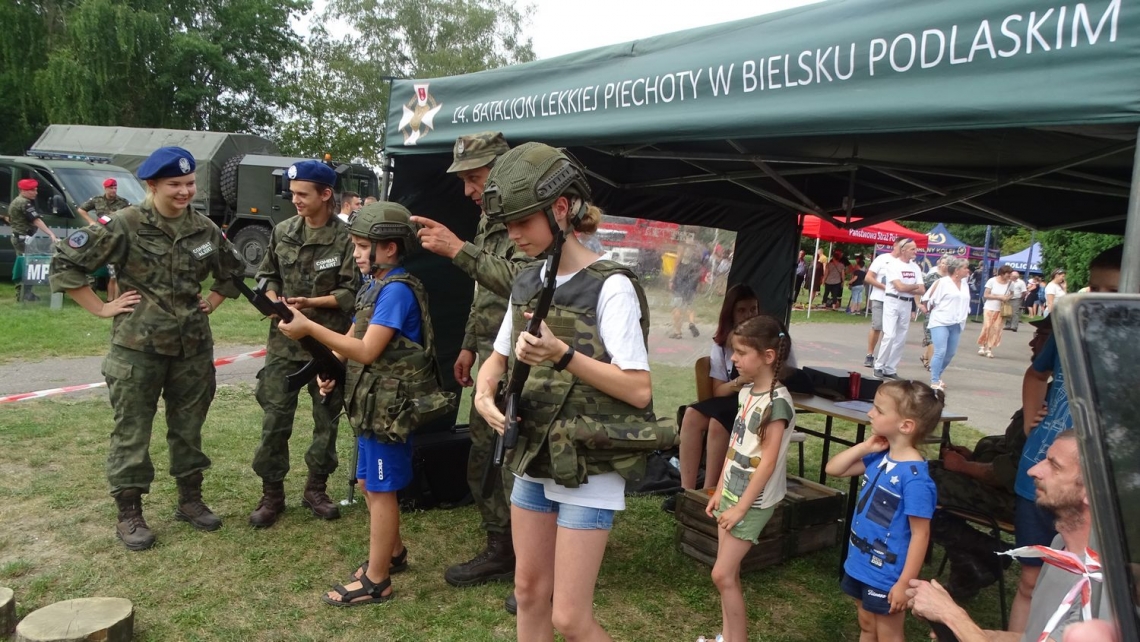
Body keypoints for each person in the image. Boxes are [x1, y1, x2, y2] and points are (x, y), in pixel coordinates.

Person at [473, 143, 675, 641]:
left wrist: (563, 355)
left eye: (522, 221)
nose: (513, 234)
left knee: (569, 617)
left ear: (561, 209)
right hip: (534, 458)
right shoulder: (527, 281)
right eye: (507, 224)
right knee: (526, 592)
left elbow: (639, 390)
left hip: (589, 465)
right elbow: (498, 358)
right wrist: (484, 392)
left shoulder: (611, 287)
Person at [48, 147, 245, 551]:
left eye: (190, 184)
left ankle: (190, 500)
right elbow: (65, 264)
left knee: (188, 430)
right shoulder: (124, 224)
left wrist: (213, 301)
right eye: (175, 184)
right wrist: (102, 308)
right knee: (132, 431)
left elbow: (233, 272)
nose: (184, 191)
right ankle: (129, 512)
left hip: (191, 349)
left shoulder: (204, 229)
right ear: (152, 185)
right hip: (137, 349)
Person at [277, 201, 452, 606]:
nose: (355, 252)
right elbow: (358, 328)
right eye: (355, 244)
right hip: (371, 403)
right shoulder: (374, 283)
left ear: (390, 248)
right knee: (365, 482)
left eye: (362, 245)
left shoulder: (396, 291)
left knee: (379, 486)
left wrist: (311, 329)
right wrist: (331, 367)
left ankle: (378, 581)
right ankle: (393, 553)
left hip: (388, 408)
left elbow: (369, 350)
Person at [409, 131, 534, 592]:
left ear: (502, 173)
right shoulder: (488, 222)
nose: (468, 191)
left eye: (475, 178)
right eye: (462, 180)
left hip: (523, 363)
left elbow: (527, 285)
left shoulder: (526, 222)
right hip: (488, 358)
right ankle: (502, 547)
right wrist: (467, 344)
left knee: (518, 462)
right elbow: (483, 294)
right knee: (483, 458)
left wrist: (457, 249)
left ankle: (531, 562)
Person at [1011, 245, 1121, 631]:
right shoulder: (1068, 326)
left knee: (1093, 580)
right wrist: (1031, 419)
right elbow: (1035, 374)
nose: (1100, 301)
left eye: (1114, 292)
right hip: (1042, 470)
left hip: (1093, 485)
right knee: (1030, 578)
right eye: (1094, 289)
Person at [246, 160, 359, 528]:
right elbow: (266, 274)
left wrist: (310, 305)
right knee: (275, 418)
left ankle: (316, 488)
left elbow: (350, 291)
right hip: (284, 346)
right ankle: (271, 494)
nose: (295, 200)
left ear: (326, 195)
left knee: (326, 419)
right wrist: (276, 299)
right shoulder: (283, 231)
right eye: (292, 194)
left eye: (302, 194)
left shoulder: (347, 238)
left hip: (327, 343)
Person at [907, 431, 1102, 642]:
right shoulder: (1062, 545)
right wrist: (977, 635)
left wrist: (952, 616)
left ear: (1090, 491)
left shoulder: (1100, 579)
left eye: (1054, 466)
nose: (1034, 470)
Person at [927, 317, 1050, 600]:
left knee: (920, 481)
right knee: (920, 477)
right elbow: (1011, 449)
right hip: (1017, 493)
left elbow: (1014, 471)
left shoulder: (1056, 399)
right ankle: (970, 563)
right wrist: (975, 457)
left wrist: (965, 467)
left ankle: (986, 552)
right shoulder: (1050, 390)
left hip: (1025, 501)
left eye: (1043, 336)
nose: (1033, 342)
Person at [826, 380, 942, 642]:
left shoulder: (915, 480)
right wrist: (866, 447)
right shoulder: (880, 456)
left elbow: (920, 535)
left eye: (879, 410)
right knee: (866, 624)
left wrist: (903, 584)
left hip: (888, 574)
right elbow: (834, 469)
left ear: (906, 426)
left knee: (888, 633)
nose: (870, 413)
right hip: (860, 563)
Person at [703, 315, 796, 642]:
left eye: (741, 353)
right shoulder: (746, 393)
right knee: (730, 575)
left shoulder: (777, 403)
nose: (733, 359)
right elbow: (735, 445)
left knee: (722, 574)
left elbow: (767, 462)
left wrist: (742, 507)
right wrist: (718, 489)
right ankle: (728, 637)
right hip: (731, 493)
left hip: (752, 502)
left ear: (768, 357)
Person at [666, 285, 760, 512]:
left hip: (759, 400)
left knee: (718, 423)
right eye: (742, 310)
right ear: (731, 313)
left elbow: (785, 376)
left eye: (753, 309)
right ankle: (686, 491)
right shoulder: (721, 345)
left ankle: (708, 493)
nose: (749, 315)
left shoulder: (769, 339)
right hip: (734, 395)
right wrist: (740, 380)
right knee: (691, 414)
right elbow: (718, 390)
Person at [873, 239, 924, 380]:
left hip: (907, 303)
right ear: (903, 250)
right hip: (893, 300)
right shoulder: (893, 265)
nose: (915, 251)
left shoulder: (915, 267)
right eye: (912, 249)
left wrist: (909, 288)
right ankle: (879, 365)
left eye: (915, 249)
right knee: (889, 334)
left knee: (901, 337)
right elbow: (900, 287)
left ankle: (890, 368)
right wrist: (913, 287)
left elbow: (922, 289)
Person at [78, 179, 133, 301]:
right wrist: (91, 221)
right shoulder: (97, 200)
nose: (113, 190)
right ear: (105, 188)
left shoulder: (122, 202)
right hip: (101, 235)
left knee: (114, 270)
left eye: (115, 188)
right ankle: (96, 292)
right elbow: (81, 210)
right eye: (111, 188)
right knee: (96, 262)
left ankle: (114, 298)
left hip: (116, 235)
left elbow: (132, 213)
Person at [920, 257, 970, 391]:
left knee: (951, 353)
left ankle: (937, 373)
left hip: (957, 322)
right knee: (940, 351)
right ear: (957, 270)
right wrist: (927, 309)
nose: (968, 270)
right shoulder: (942, 282)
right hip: (940, 320)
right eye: (965, 268)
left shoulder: (965, 283)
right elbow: (927, 298)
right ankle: (934, 380)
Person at [5, 178, 59, 301]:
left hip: (22, 238)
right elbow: (36, 220)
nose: (36, 192)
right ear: (24, 190)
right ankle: (23, 293)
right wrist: (51, 234)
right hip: (23, 240)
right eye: (32, 190)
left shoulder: (17, 201)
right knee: (27, 265)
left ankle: (25, 292)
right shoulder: (24, 203)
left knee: (29, 264)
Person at [863, 239, 904, 368]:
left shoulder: (905, 263)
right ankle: (870, 354)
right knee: (877, 326)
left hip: (896, 300)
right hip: (880, 298)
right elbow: (868, 277)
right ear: (895, 245)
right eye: (901, 246)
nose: (903, 249)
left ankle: (883, 358)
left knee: (890, 332)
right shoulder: (882, 259)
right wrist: (884, 287)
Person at [977, 265, 1015, 358]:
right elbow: (986, 295)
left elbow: (1012, 294)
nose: (1009, 276)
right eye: (1008, 274)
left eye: (1010, 274)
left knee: (996, 328)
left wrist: (1007, 298)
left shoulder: (1010, 283)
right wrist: (999, 297)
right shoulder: (992, 281)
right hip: (989, 307)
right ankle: (982, 345)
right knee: (987, 326)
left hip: (1000, 309)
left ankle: (989, 348)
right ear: (1002, 273)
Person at [918, 257, 948, 372]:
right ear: (939, 263)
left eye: (947, 264)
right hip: (930, 310)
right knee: (931, 338)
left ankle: (925, 356)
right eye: (943, 263)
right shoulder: (932, 277)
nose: (944, 265)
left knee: (939, 338)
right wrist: (920, 304)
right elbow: (919, 289)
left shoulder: (951, 279)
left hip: (944, 312)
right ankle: (931, 364)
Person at [670, 241, 702, 338]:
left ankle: (678, 332)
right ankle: (691, 323)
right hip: (692, 282)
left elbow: (676, 265)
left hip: (680, 282)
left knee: (677, 308)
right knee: (689, 305)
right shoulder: (697, 249)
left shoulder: (682, 247)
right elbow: (699, 268)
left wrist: (671, 279)